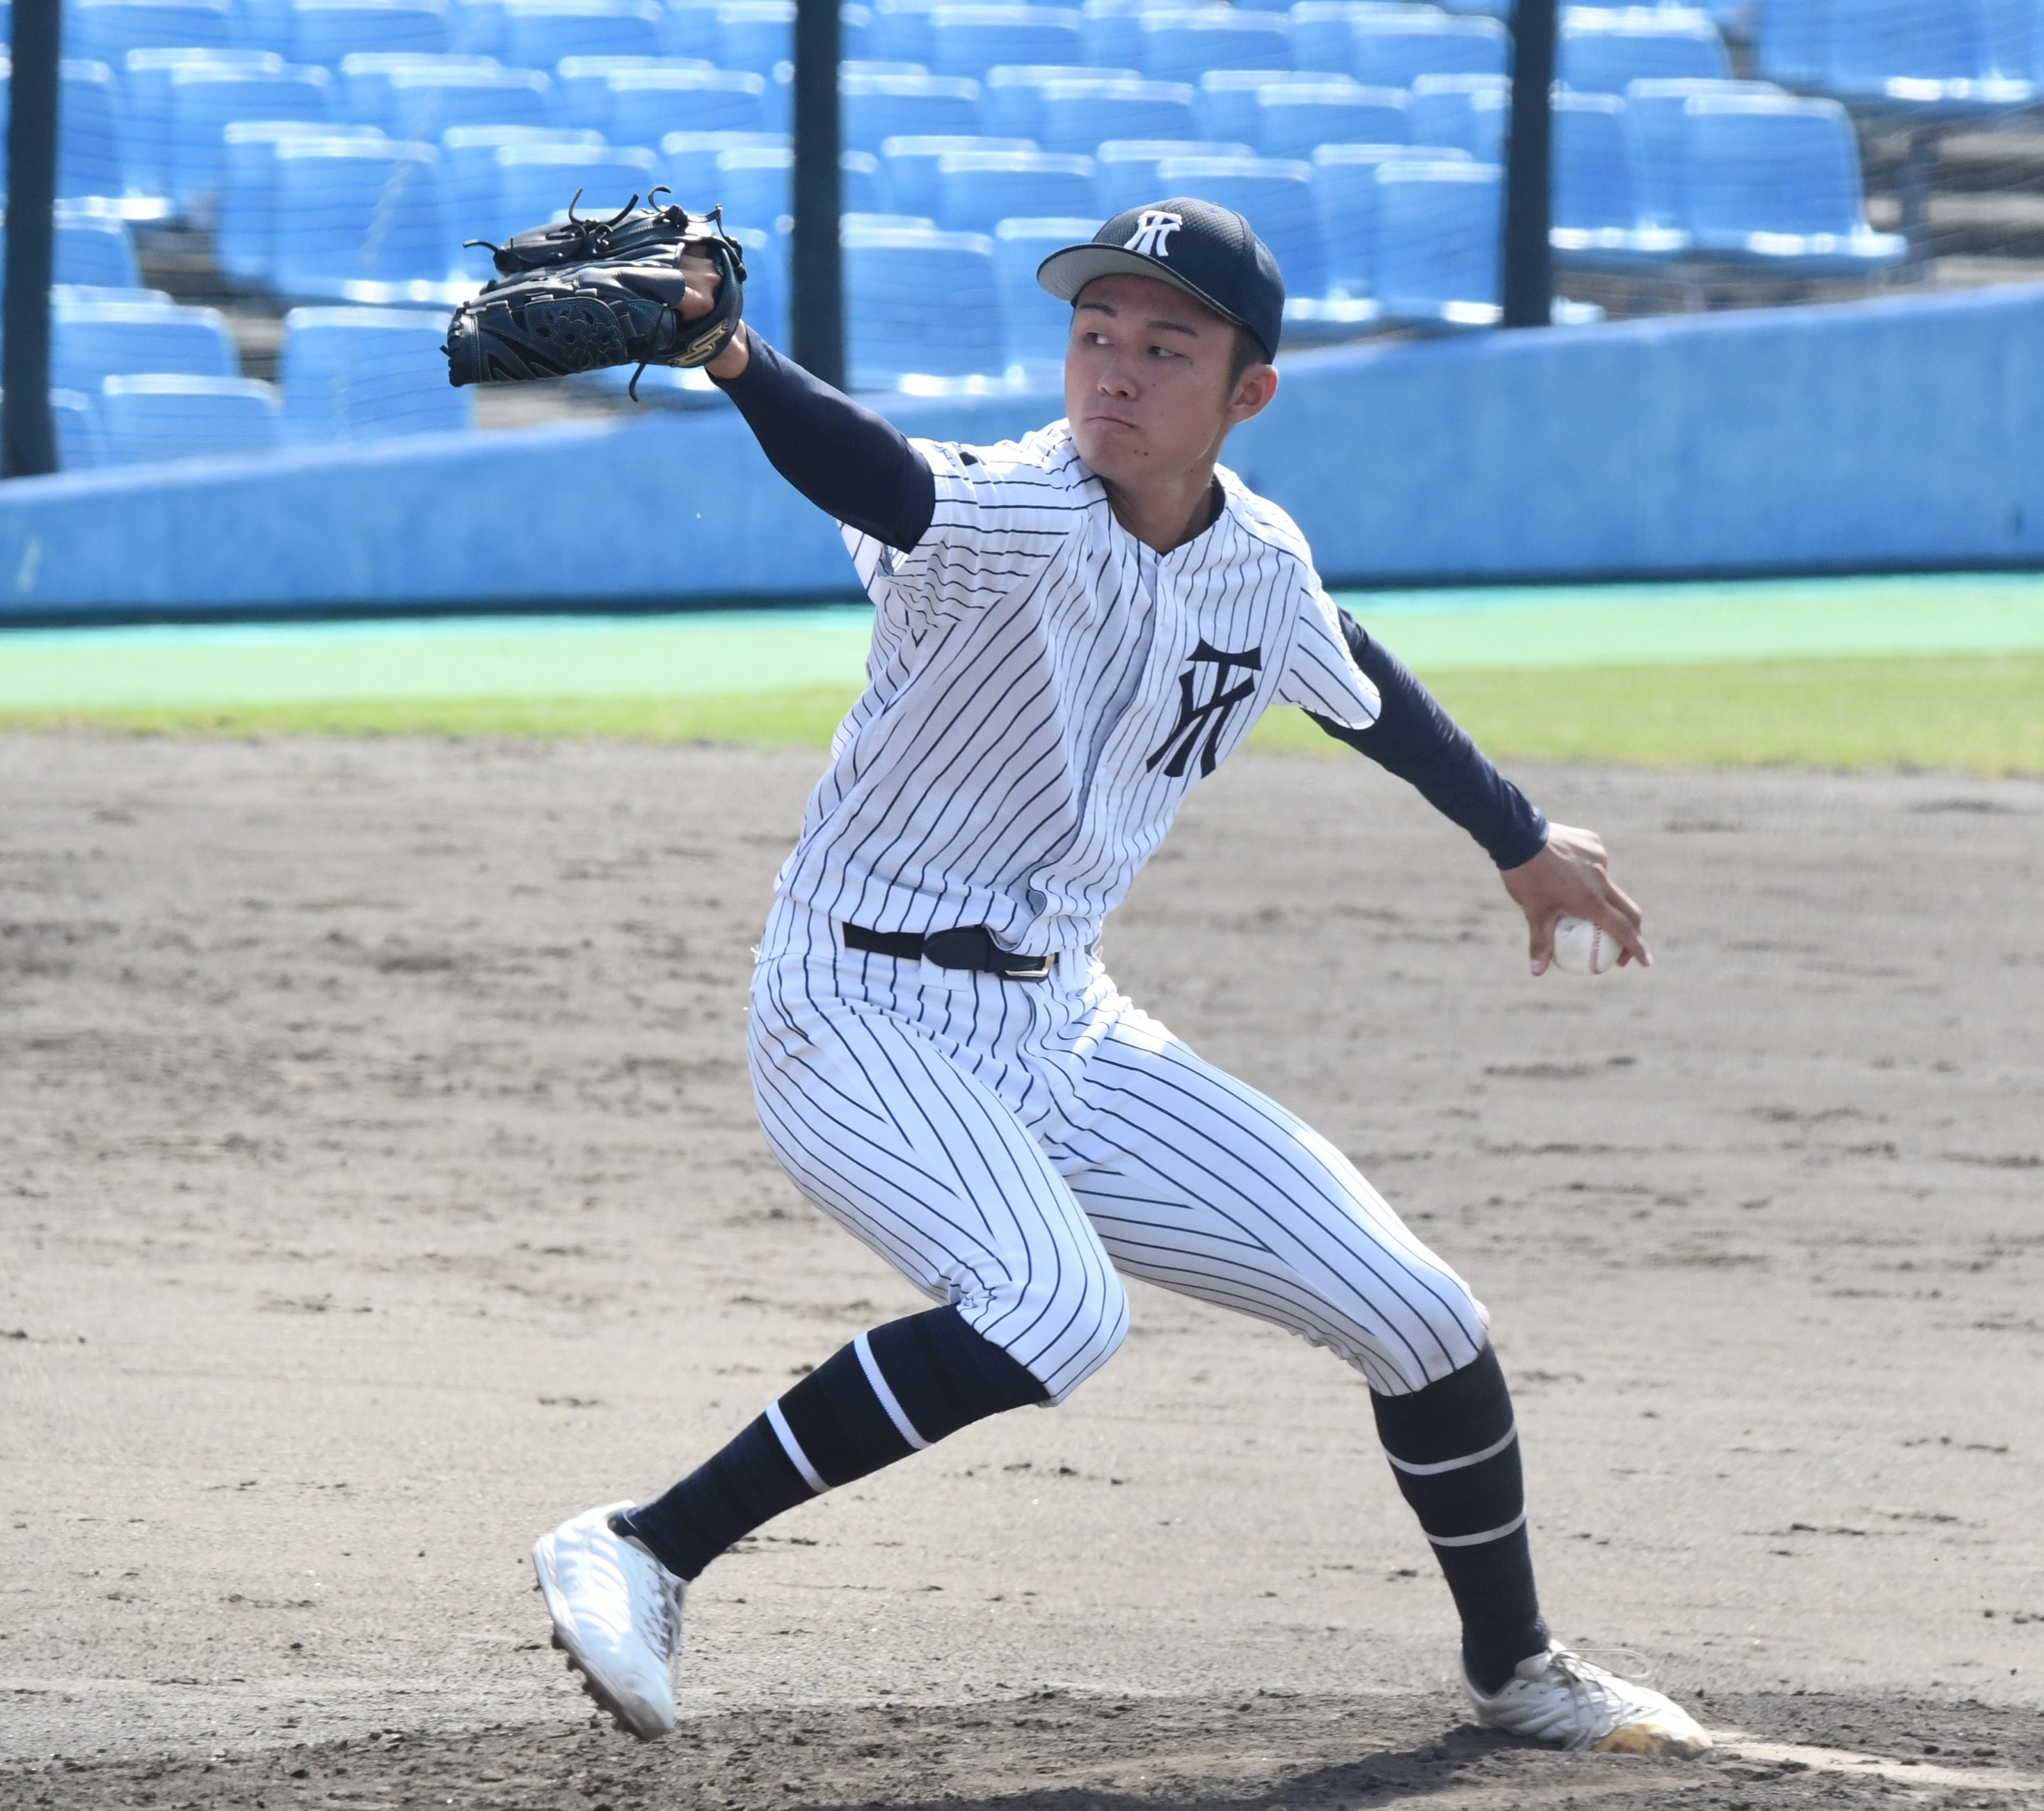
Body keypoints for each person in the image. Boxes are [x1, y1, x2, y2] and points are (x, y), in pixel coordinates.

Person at [529, 199, 1709, 1760]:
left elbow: (1359, 684)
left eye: (1166, 345)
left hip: (1060, 1022)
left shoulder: (1255, 558)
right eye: (1095, 332)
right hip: (853, 1007)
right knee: (1050, 1307)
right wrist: (735, 358)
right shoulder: (1015, 508)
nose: (1115, 370)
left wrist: (1517, 840)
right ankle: (644, 1546)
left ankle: (1517, 1672)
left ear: (1246, 393)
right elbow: (876, 473)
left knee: (1419, 1315)